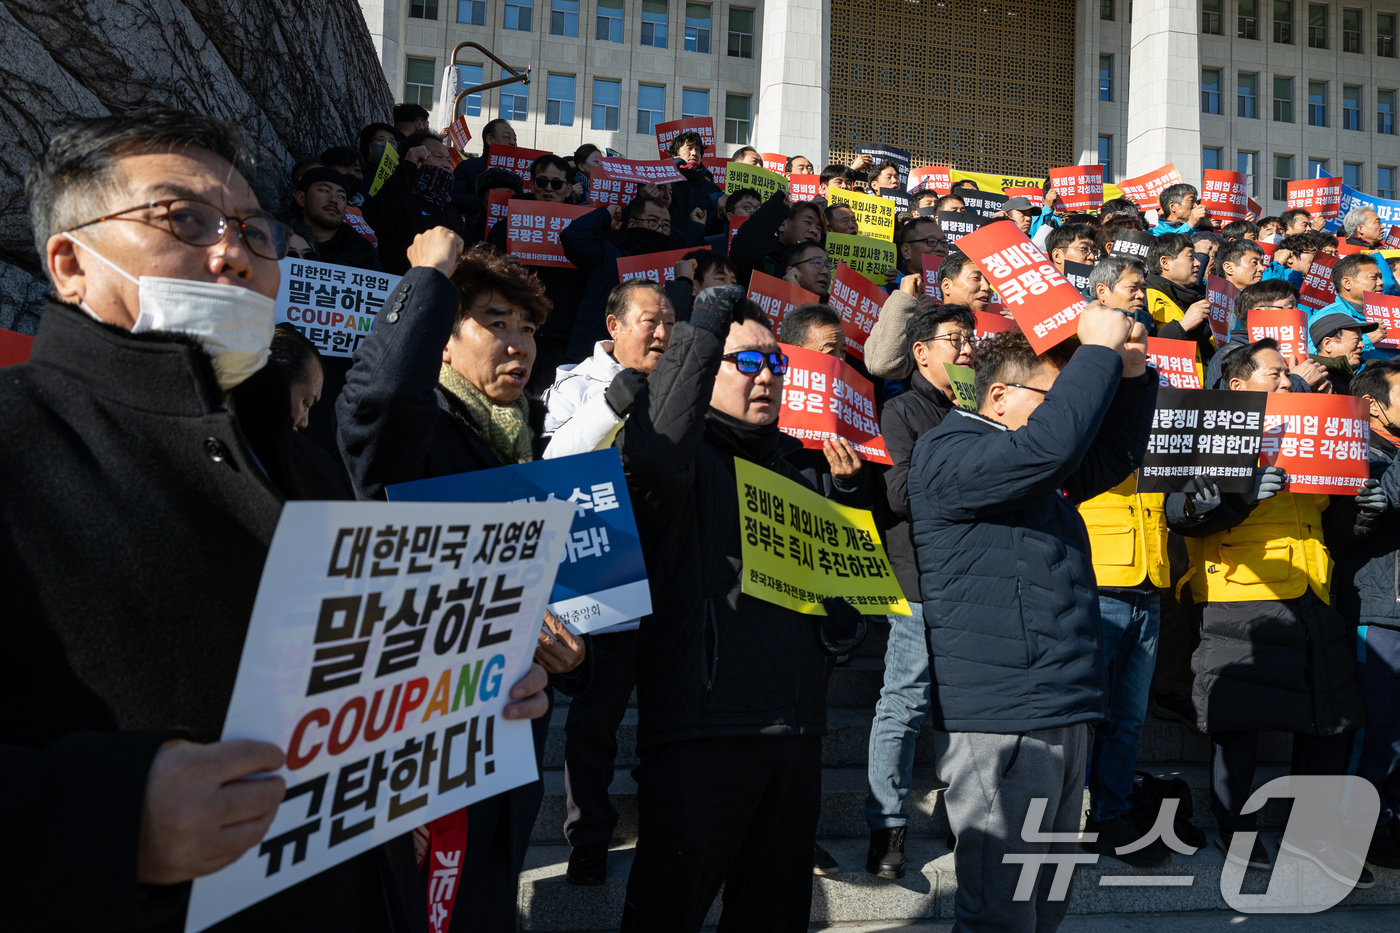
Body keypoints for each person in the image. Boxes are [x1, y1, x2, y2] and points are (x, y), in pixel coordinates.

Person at [1, 106, 550, 932]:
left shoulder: (304, 466)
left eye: (254, 231)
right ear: (70, 262)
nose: (233, 253)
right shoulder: (15, 441)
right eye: (183, 219)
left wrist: (466, 686)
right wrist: (111, 817)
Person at [336, 232, 589, 931]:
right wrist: (428, 278)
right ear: (441, 343)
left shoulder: (526, 456)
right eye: (495, 322)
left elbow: (566, 600)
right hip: (419, 747)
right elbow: (382, 398)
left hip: (509, 747)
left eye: (529, 328)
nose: (518, 343)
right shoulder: (419, 433)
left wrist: (573, 661)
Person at [617, 287, 864, 932]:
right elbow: (657, 447)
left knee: (773, 916)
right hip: (703, 731)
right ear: (704, 370)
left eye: (776, 363)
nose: (767, 377)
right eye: (746, 362)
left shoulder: (800, 469)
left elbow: (843, 608)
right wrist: (703, 325)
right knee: (666, 913)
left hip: (795, 730)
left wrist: (844, 507)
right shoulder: (680, 463)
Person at [907, 308, 1156, 933]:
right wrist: (1095, 355)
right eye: (1055, 398)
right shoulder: (948, 453)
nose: (1069, 414)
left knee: (1044, 904)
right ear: (998, 396)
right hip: (1003, 714)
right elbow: (1053, 445)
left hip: (1061, 702)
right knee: (1001, 913)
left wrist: (1128, 376)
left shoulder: (1035, 470)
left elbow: (1111, 452)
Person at [1167, 337, 1371, 876]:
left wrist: (1362, 512)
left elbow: (1329, 523)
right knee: (1240, 721)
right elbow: (1181, 514)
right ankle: (1237, 833)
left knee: (1330, 718)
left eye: (1287, 373)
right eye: (1275, 374)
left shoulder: (1314, 430)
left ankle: (1313, 836)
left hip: (1313, 591)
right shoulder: (1209, 433)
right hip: (1240, 595)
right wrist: (1243, 492)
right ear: (1237, 386)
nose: (1288, 380)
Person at [865, 303, 973, 880]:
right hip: (919, 579)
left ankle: (969, 819)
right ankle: (887, 824)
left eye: (971, 339)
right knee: (905, 702)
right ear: (921, 352)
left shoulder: (983, 409)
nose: (967, 349)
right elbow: (901, 493)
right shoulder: (902, 411)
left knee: (968, 709)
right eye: (954, 339)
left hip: (974, 577)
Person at [1335, 362, 1400, 871]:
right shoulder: (1358, 454)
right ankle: (1346, 835)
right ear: (1374, 404)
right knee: (1373, 732)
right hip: (1377, 614)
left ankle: (1385, 823)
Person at [484, 154, 584, 392]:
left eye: (556, 184)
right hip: (514, 329)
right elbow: (481, 274)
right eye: (542, 182)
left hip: (562, 333)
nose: (549, 188)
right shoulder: (505, 227)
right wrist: (498, 266)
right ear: (531, 184)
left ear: (569, 189)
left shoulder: (583, 231)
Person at [543, 280, 675, 459]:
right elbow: (548, 463)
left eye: (670, 323)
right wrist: (610, 407)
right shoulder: (570, 389)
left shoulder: (684, 385)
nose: (663, 333)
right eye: (650, 321)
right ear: (614, 326)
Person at [562, 195, 689, 362]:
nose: (659, 230)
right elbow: (573, 238)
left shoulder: (671, 270)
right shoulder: (608, 254)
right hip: (594, 357)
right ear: (632, 224)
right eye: (652, 222)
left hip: (647, 360)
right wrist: (605, 216)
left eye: (665, 225)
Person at [865, 250, 991, 381]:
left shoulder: (1001, 332)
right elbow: (883, 365)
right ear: (946, 285)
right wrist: (905, 300)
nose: (986, 287)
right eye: (955, 340)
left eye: (970, 340)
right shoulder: (926, 325)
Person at [362, 130, 466, 274]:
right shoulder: (400, 197)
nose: (447, 165)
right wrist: (407, 167)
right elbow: (378, 219)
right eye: (439, 157)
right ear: (417, 158)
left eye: (448, 160)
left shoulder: (451, 208)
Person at [287, 167, 383, 271]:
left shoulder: (362, 253)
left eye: (341, 196)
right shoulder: (277, 238)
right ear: (301, 198)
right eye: (325, 191)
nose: (334, 200)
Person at [730, 195, 826, 287]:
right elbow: (743, 247)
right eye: (808, 222)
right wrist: (775, 205)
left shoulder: (823, 276)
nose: (814, 231)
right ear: (782, 225)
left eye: (819, 229)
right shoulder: (762, 263)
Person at [1145, 232, 1213, 361]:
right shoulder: (1144, 297)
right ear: (1165, 263)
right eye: (1191, 257)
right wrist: (1183, 325)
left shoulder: (1199, 296)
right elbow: (1142, 348)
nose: (1198, 263)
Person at [1308, 254, 1389, 355]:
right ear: (1347, 283)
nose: (1381, 282)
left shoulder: (1390, 313)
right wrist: (1366, 340)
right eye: (1373, 278)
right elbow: (1314, 356)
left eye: (1380, 277)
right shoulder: (1325, 317)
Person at [452, 117, 517, 219]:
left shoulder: (521, 172)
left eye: (515, 139)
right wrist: (488, 200)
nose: (513, 142)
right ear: (490, 139)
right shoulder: (468, 167)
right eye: (507, 137)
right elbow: (455, 199)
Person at [1308, 312, 1378, 394]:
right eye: (1356, 339)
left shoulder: (1367, 373)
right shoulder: (1314, 381)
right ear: (1328, 344)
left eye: (1361, 340)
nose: (1362, 345)